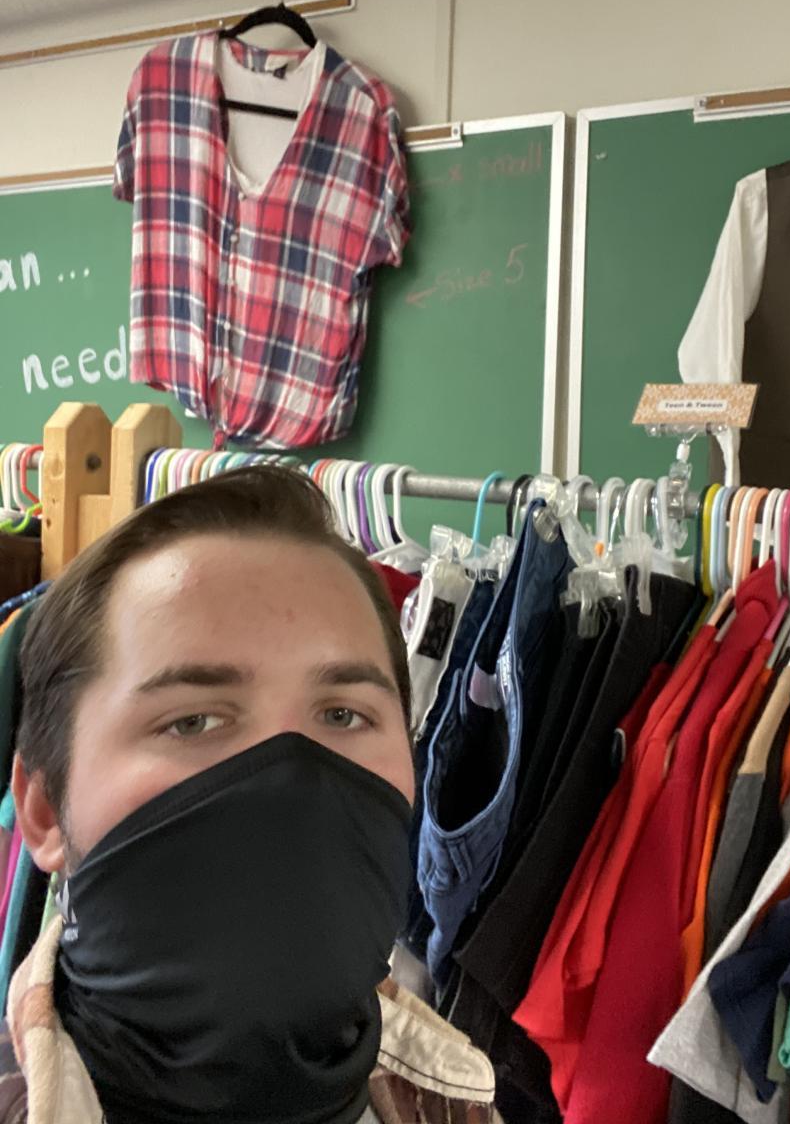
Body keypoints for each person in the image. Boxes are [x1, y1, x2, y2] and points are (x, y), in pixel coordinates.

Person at [3, 466, 499, 1124]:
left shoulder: (463, 1106)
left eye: (343, 715)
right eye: (193, 721)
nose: (289, 775)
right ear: (43, 812)